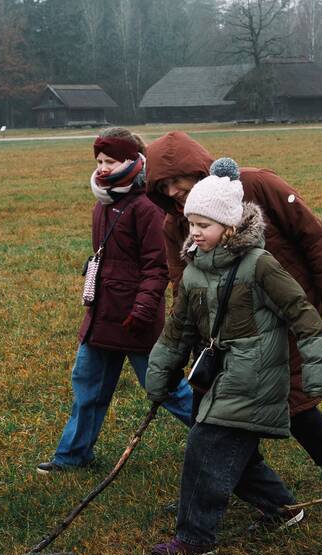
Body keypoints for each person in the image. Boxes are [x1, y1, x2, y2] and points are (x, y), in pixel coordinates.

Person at [145, 131, 322, 505]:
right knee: (213, 404)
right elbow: (180, 283)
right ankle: (227, 482)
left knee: (287, 397)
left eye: (177, 179)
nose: (171, 191)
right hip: (224, 330)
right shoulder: (176, 224)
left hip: (282, 313)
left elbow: (311, 235)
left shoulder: (259, 185)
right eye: (162, 186)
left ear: (199, 168)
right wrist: (187, 334)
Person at [145, 161, 322, 555]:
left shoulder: (260, 265)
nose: (194, 232)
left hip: (255, 377)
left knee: (207, 449)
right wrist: (160, 375)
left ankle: (195, 540)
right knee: (234, 454)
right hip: (222, 376)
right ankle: (282, 510)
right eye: (192, 223)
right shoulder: (195, 272)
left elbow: (301, 313)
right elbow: (179, 329)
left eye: (205, 225)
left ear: (229, 227)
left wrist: (316, 369)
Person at [37, 128, 193, 476]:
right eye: (99, 161)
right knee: (87, 388)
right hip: (102, 316)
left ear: (132, 161)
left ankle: (219, 436)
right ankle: (71, 456)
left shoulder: (146, 206)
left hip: (136, 318)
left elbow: (158, 265)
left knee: (166, 387)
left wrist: (142, 308)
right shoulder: (104, 202)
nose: (103, 168)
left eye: (111, 161)